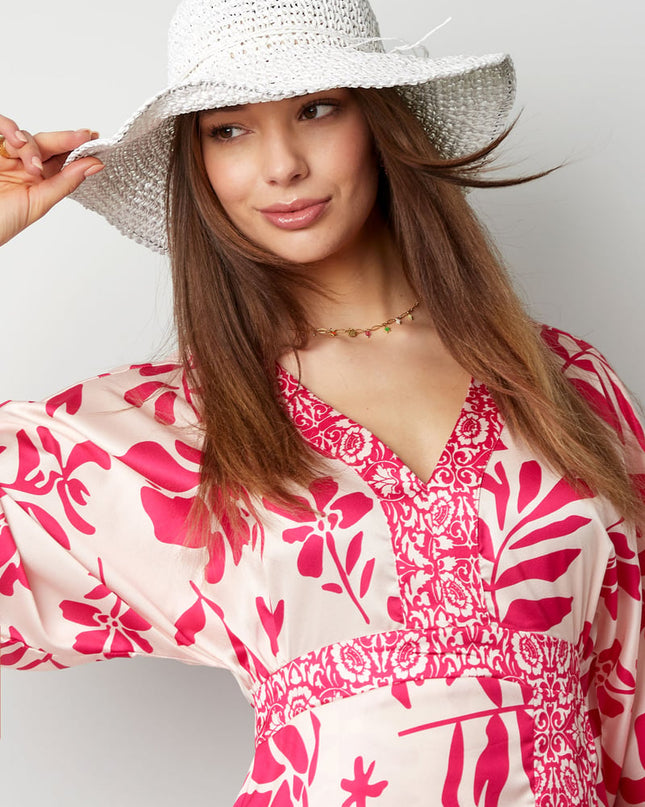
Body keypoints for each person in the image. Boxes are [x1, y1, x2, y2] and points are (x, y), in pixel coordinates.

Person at [1, 0, 644, 804]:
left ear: (379, 121)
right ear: (197, 164)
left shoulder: (566, 382)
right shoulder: (169, 430)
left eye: (315, 110)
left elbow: (632, 691)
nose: (281, 166)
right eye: (227, 129)